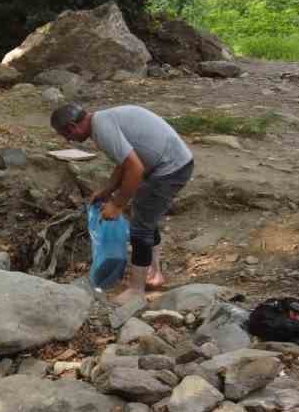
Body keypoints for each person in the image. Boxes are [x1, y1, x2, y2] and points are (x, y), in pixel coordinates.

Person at [50, 102, 194, 303]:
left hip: (170, 167)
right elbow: (124, 162)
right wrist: (108, 190)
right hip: (169, 162)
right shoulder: (101, 122)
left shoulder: (102, 128)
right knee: (144, 215)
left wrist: (117, 204)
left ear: (73, 127)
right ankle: (154, 272)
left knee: (140, 228)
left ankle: (137, 290)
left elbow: (135, 169)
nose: (68, 140)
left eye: (66, 135)